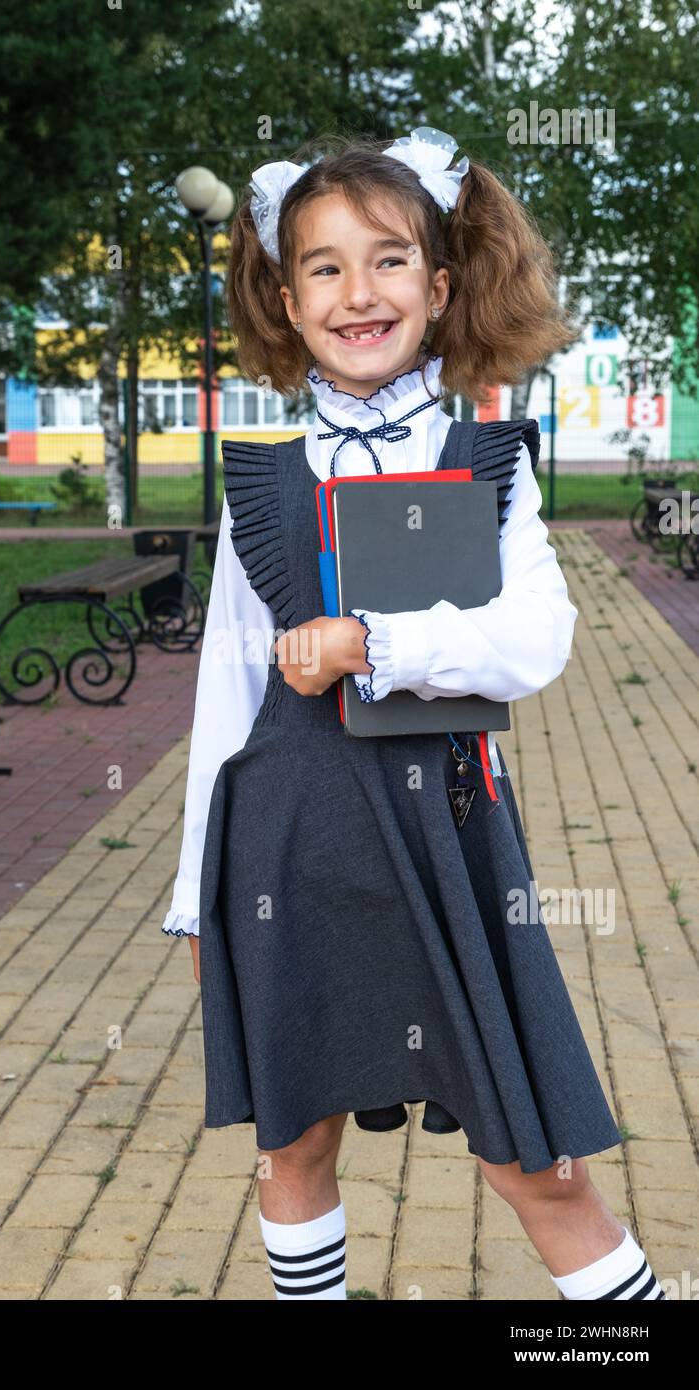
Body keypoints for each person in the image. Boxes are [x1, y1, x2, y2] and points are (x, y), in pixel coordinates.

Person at [160, 128, 668, 1303]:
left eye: (388, 260)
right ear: (286, 300)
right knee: (291, 1142)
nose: (358, 291)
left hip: (447, 839)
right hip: (286, 841)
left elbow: (533, 642)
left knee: (533, 1156)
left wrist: (377, 646)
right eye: (323, 267)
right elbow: (224, 699)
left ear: (438, 287)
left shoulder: (481, 458)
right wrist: (196, 898)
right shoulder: (259, 473)